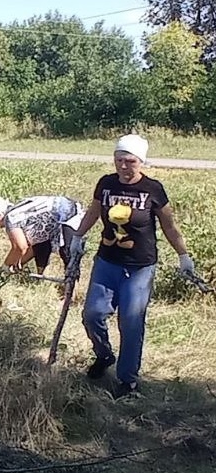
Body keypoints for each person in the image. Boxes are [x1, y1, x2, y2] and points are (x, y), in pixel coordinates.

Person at [69, 134, 196, 399]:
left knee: (131, 321)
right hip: (107, 262)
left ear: (141, 161)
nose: (124, 167)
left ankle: (128, 381)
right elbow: (93, 213)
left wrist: (183, 256)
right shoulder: (106, 184)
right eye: (119, 160)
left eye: (130, 161)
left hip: (140, 267)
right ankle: (104, 356)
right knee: (92, 315)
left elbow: (169, 226)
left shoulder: (153, 189)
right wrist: (78, 237)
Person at [0, 195, 84, 275]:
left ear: (0, 215)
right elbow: (32, 247)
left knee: (68, 254)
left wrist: (5, 267)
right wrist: (16, 264)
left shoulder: (10, 218)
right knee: (42, 246)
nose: (0, 227)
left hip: (68, 214)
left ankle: (70, 290)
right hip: (67, 210)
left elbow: (20, 247)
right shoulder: (20, 211)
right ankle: (42, 277)